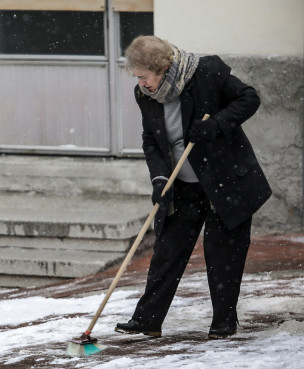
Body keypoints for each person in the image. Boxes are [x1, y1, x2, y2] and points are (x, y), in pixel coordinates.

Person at [115, 36, 272, 339]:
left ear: (161, 67)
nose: (141, 83)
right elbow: (152, 140)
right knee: (167, 251)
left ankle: (223, 322)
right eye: (137, 78)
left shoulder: (207, 73)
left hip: (225, 179)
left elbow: (249, 98)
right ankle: (148, 319)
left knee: (223, 253)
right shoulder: (145, 94)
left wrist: (216, 125)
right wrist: (160, 179)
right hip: (183, 185)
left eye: (144, 76)